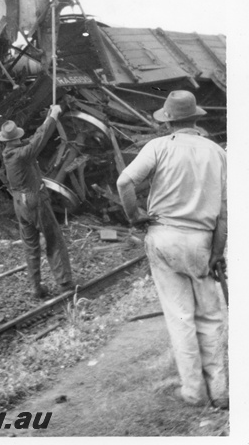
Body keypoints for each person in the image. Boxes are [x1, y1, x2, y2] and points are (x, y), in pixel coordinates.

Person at [116, 90, 228, 409]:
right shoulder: (216, 152)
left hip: (163, 237)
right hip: (202, 240)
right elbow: (223, 210)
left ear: (168, 122)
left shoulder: (158, 147)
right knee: (209, 317)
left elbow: (125, 182)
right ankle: (219, 390)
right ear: (195, 118)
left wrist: (135, 216)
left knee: (180, 318)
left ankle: (193, 391)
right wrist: (218, 251)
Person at [0, 104, 74, 298]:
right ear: (17, 137)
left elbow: (33, 140)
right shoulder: (22, 154)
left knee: (30, 246)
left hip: (19, 203)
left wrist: (49, 116)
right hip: (34, 200)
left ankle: (36, 288)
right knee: (53, 240)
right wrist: (54, 117)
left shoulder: (9, 153)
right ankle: (65, 284)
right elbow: (37, 142)